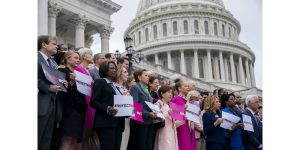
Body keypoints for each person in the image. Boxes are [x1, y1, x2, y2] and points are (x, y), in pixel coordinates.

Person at [90, 61, 125, 150]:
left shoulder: (115, 86)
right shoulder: (100, 82)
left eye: (115, 68)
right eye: (112, 68)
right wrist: (107, 108)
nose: (114, 70)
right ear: (105, 70)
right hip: (105, 123)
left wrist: (129, 110)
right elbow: (93, 102)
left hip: (118, 123)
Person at [38, 35, 65, 150]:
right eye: (54, 44)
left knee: (47, 140)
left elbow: (55, 79)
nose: (57, 46)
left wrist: (63, 83)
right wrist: (48, 88)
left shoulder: (53, 63)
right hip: (40, 102)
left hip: (53, 105)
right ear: (44, 44)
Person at [58, 51, 87, 150]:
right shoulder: (62, 71)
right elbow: (62, 91)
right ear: (67, 58)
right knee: (67, 141)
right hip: (69, 111)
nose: (78, 60)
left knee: (74, 141)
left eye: (79, 58)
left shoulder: (78, 74)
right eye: (75, 58)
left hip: (79, 110)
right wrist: (72, 82)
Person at [127, 69, 157, 150]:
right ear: (139, 77)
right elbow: (134, 105)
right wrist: (147, 113)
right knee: (139, 146)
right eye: (146, 75)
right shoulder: (135, 87)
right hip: (139, 123)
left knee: (147, 147)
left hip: (149, 122)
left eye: (148, 75)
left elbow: (148, 105)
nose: (148, 77)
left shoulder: (147, 89)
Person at [75, 48, 99, 150]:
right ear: (84, 56)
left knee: (87, 136)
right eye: (90, 54)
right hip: (84, 103)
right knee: (82, 135)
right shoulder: (78, 69)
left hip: (90, 103)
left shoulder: (87, 71)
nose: (92, 56)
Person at [171, 79, 196, 150]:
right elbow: (176, 116)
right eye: (185, 86)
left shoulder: (187, 100)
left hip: (189, 126)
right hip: (182, 127)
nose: (188, 87)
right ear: (179, 88)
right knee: (184, 146)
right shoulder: (176, 99)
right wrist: (184, 109)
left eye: (188, 86)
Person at [154, 86, 178, 150]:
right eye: (168, 92)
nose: (171, 94)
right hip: (163, 131)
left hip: (171, 131)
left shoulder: (169, 105)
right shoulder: (158, 104)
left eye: (171, 93)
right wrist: (168, 113)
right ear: (162, 94)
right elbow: (156, 117)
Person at [114, 64, 130, 150]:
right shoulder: (114, 86)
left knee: (124, 144)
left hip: (126, 120)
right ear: (119, 73)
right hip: (116, 120)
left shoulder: (124, 88)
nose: (127, 74)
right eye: (125, 72)